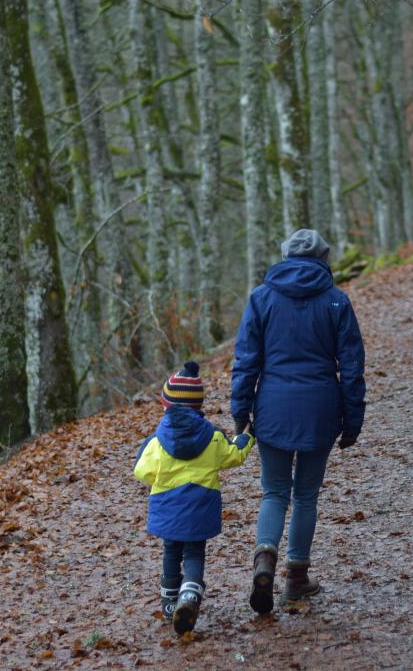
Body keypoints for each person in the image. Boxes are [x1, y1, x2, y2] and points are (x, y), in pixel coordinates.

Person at [231, 229, 366, 614]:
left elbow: (245, 362)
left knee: (274, 491)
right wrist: (352, 418)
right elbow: (352, 367)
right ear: (323, 259)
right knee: (305, 495)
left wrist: (241, 411)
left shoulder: (262, 299)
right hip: (320, 409)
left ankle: (264, 560)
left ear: (286, 256)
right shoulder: (337, 302)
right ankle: (296, 578)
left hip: (272, 407)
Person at [134, 361, 254, 634]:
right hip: (200, 507)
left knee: (171, 550)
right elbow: (233, 456)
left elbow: (141, 471)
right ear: (198, 407)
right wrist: (247, 440)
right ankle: (189, 595)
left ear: (166, 406)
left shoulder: (156, 442)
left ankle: (169, 602)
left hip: (168, 508)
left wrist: (161, 477)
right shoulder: (212, 437)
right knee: (194, 551)